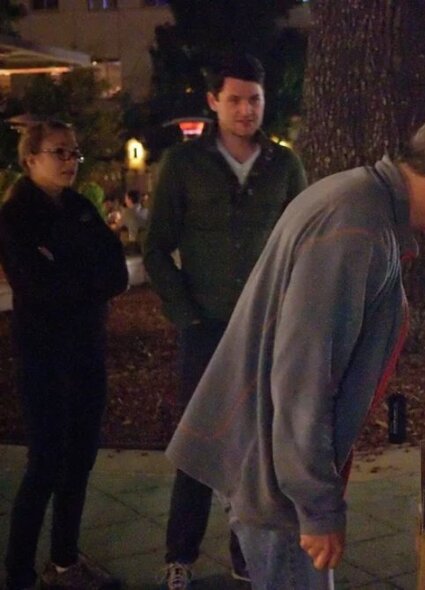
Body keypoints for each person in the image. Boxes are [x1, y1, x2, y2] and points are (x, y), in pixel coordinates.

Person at [164, 102, 425, 590]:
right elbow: (303, 377)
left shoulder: (361, 203)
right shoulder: (355, 227)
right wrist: (316, 505)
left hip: (272, 460)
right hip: (275, 473)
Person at [143, 53, 308, 589]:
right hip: (206, 325)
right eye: (234, 99)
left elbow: (303, 245)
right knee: (198, 444)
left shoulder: (284, 166)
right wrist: (185, 316)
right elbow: (156, 248)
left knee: (255, 447)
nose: (245, 109)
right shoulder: (184, 165)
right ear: (213, 101)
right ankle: (180, 554)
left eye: (254, 99)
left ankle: (246, 550)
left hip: (265, 329)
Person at [0, 120, 128, 590]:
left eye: (75, 152)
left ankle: (64, 560)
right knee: (45, 462)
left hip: (87, 348)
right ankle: (18, 573)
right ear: (30, 158)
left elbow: (115, 271)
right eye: (59, 152)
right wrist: (82, 276)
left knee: (81, 457)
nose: (71, 160)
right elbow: (38, 286)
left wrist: (70, 269)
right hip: (43, 354)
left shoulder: (79, 207)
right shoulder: (15, 217)